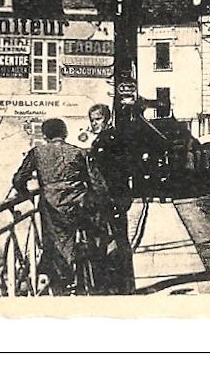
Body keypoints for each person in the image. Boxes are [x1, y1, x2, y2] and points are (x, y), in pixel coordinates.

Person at [12, 118, 103, 294]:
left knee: (55, 242)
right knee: (89, 235)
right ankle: (86, 279)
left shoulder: (37, 153)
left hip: (52, 207)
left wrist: (24, 193)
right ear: (65, 133)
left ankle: (61, 282)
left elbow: (18, 179)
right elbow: (97, 183)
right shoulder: (79, 153)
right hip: (79, 205)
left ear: (45, 135)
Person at [87, 103, 136, 295]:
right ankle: (126, 286)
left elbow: (110, 172)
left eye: (98, 119)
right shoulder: (111, 139)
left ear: (107, 120)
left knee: (113, 242)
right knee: (119, 240)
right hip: (119, 197)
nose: (94, 124)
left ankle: (117, 287)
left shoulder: (108, 141)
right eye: (92, 120)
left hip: (112, 198)